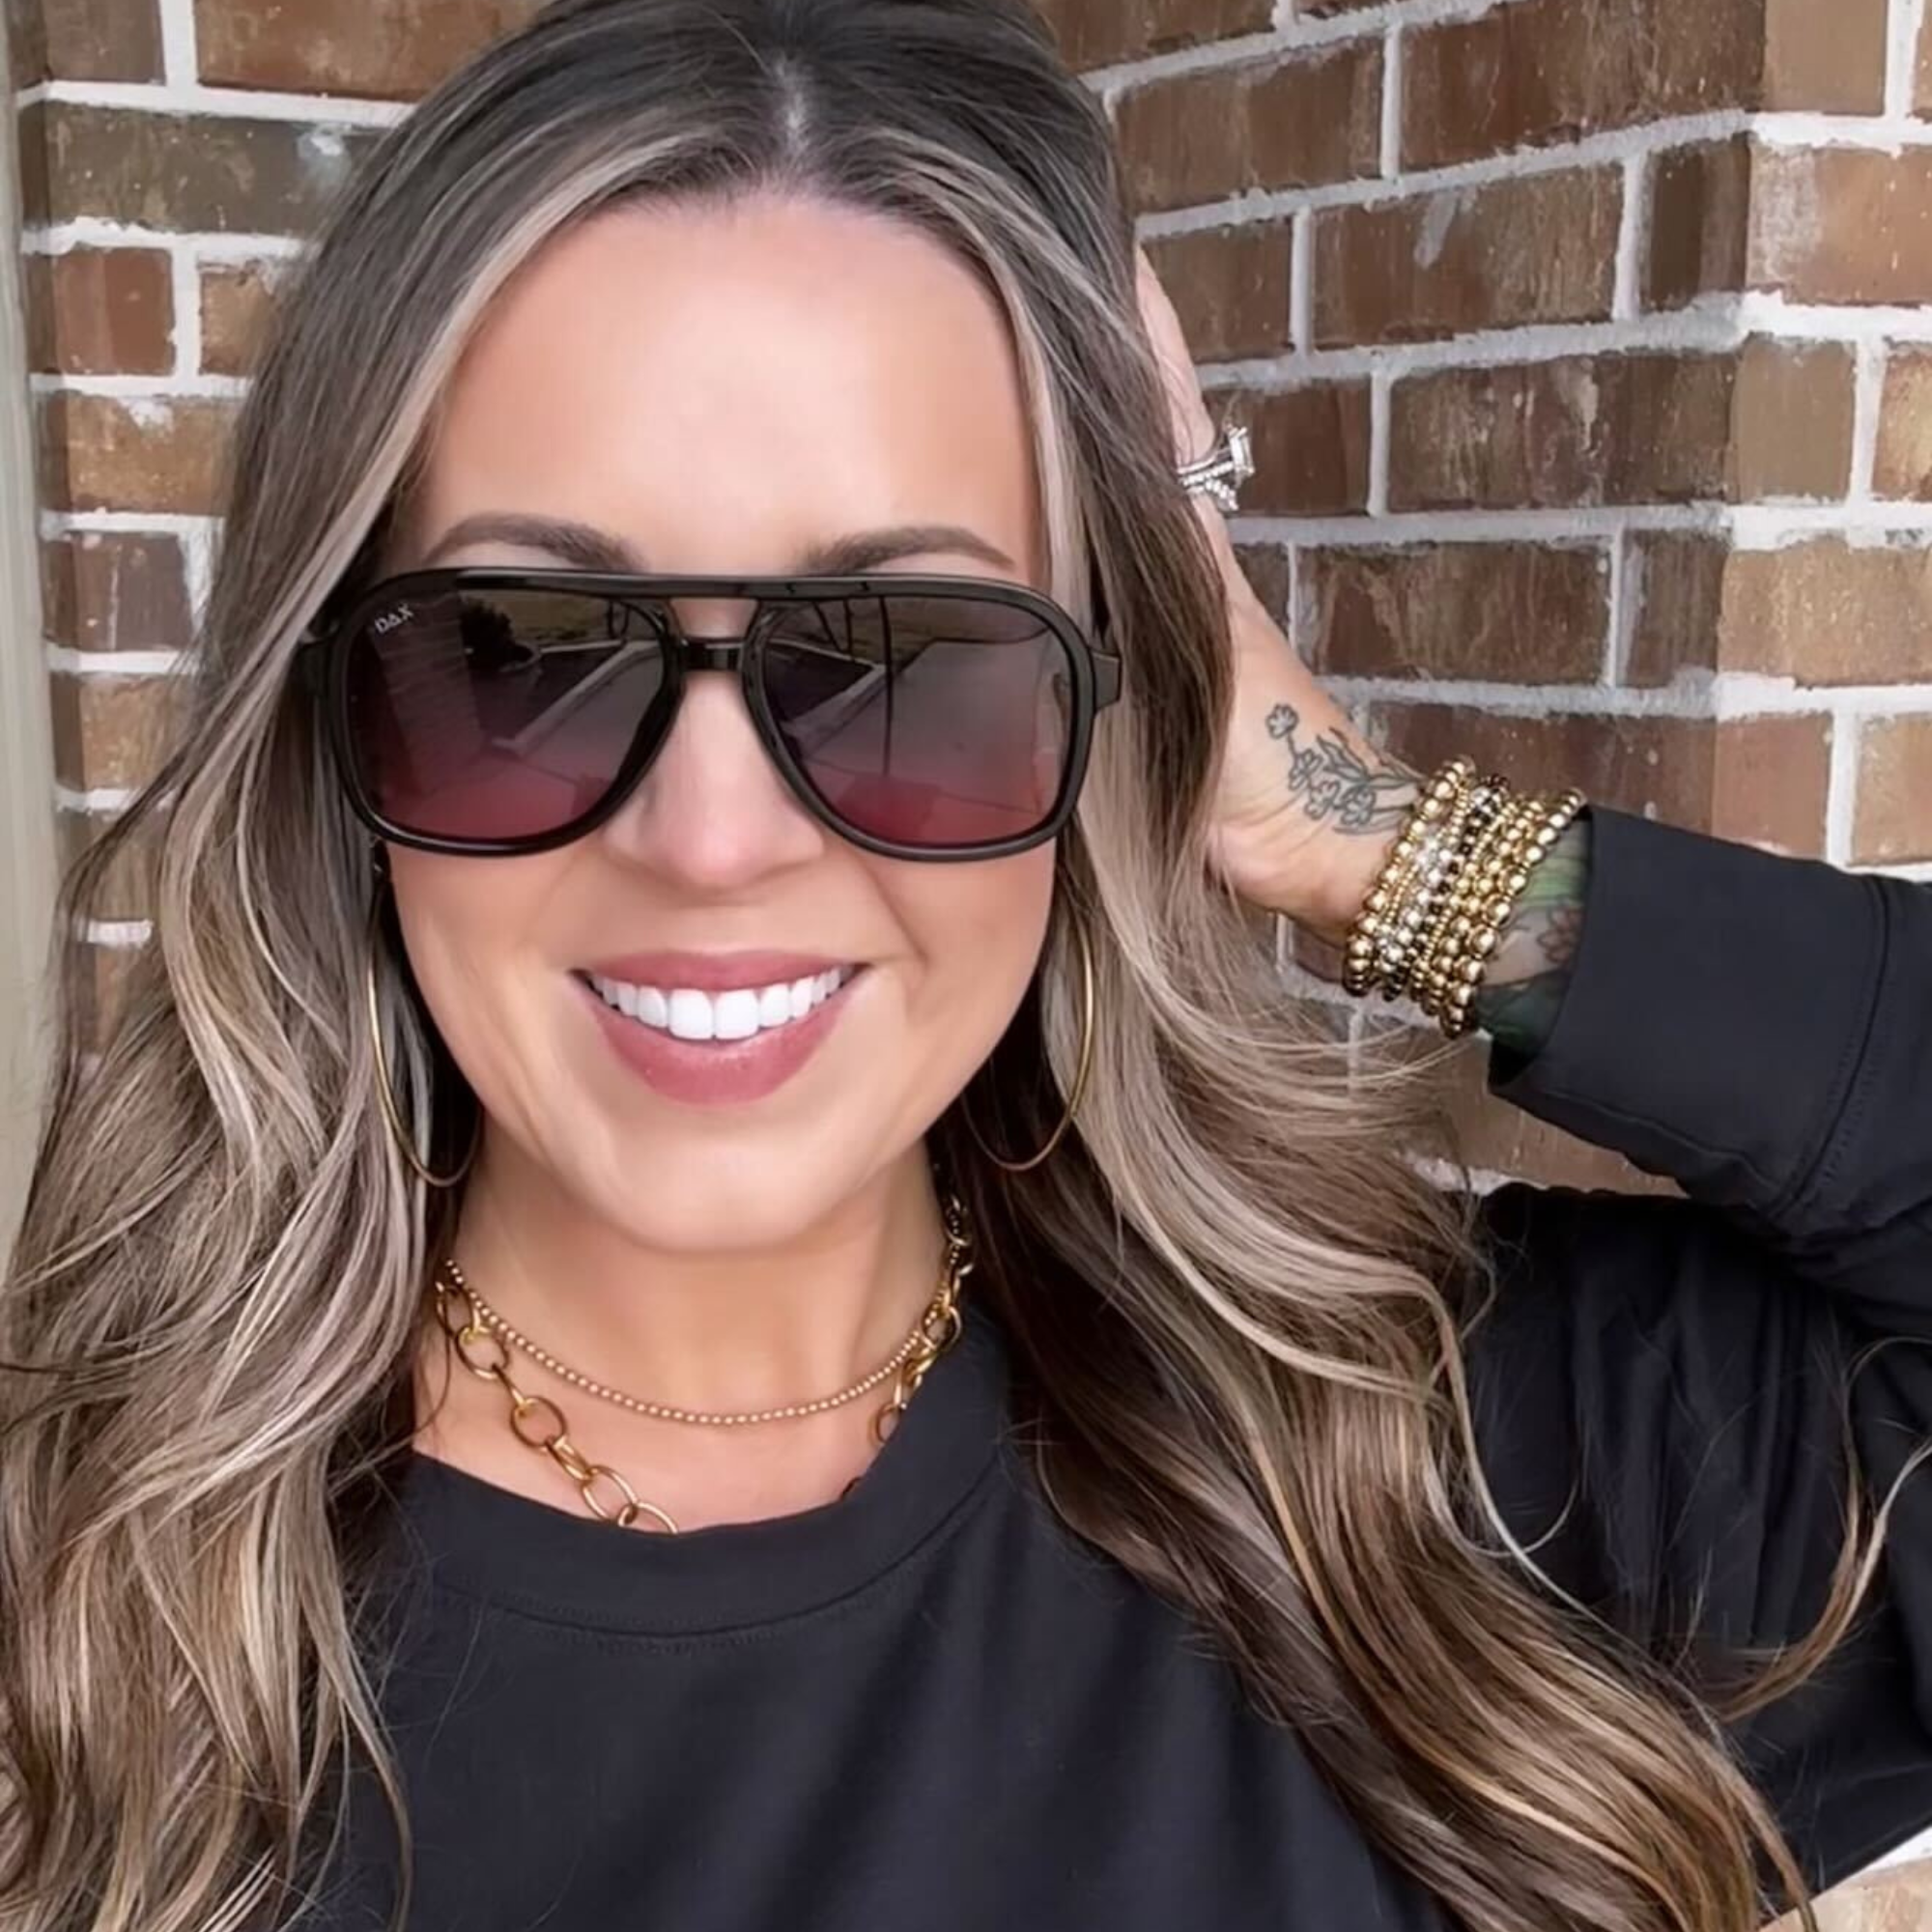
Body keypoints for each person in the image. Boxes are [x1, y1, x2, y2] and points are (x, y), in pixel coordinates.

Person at [5, 2, 1929, 1927]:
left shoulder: (1447, 1491)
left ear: (1101, 710)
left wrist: (1339, 827)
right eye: (516, 647)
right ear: (337, 723)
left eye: (909, 658)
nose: (711, 834)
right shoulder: (83, 1634)